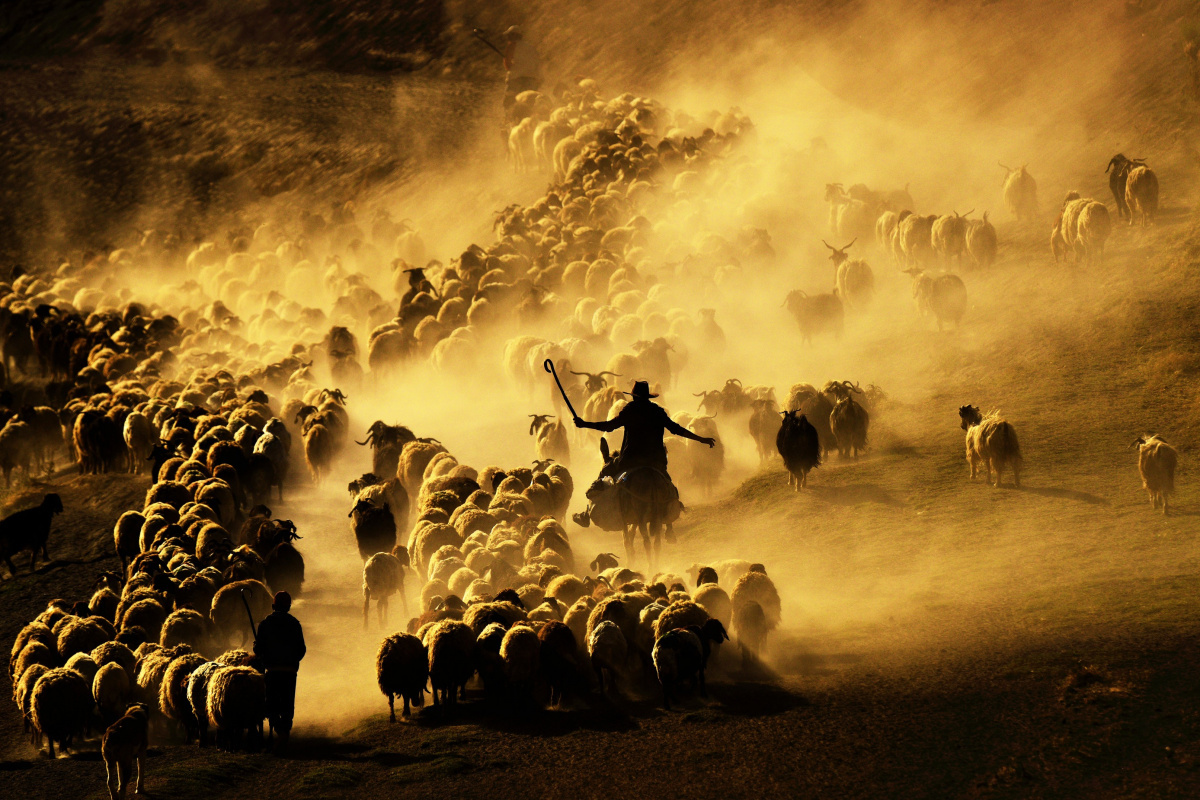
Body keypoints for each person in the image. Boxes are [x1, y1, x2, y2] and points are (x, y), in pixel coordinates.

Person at [573, 381, 715, 475]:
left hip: (630, 459)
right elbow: (676, 429)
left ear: (634, 396)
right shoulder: (658, 411)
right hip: (657, 460)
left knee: (604, 474)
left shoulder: (629, 410)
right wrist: (701, 439)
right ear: (647, 397)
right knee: (670, 487)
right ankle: (674, 504)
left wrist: (584, 424)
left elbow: (609, 426)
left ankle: (587, 513)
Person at [253, 591, 306, 755]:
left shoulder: (265, 624)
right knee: (288, 703)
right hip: (290, 671)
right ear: (289, 607)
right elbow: (302, 649)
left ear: (273, 606)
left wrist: (261, 653)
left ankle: (280, 733)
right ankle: (285, 734)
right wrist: (293, 661)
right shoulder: (294, 623)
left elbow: (257, 649)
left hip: (272, 671)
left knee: (272, 705)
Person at [501, 26, 540, 117]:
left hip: (516, 79)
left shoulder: (512, 45)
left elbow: (507, 64)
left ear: (514, 36)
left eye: (509, 36)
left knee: (509, 103)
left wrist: (514, 67)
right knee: (530, 103)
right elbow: (536, 63)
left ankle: (508, 121)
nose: (508, 38)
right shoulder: (531, 47)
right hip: (532, 80)